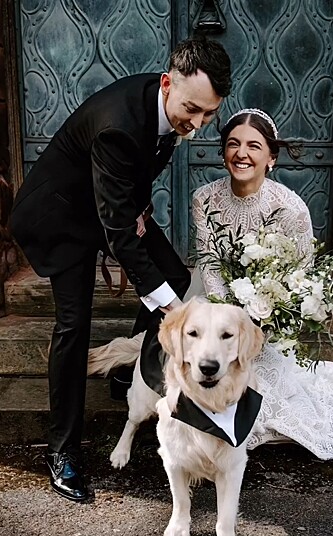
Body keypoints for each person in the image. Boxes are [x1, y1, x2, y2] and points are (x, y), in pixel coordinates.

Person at [10, 37, 232, 502]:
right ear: (168, 84)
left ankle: (133, 376)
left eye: (208, 114)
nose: (196, 124)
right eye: (192, 110)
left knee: (172, 277)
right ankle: (62, 449)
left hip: (108, 205)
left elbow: (127, 185)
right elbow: (116, 231)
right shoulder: (119, 125)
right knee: (74, 325)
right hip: (61, 217)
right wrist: (175, 313)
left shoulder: (171, 104)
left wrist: (134, 208)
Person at [191, 108, 333, 461]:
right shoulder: (204, 197)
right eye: (233, 144)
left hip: (266, 318)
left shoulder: (290, 208)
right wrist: (225, 320)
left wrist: (265, 315)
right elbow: (208, 261)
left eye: (253, 146)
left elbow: (301, 275)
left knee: (263, 390)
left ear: (271, 158)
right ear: (223, 152)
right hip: (216, 306)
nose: (241, 154)